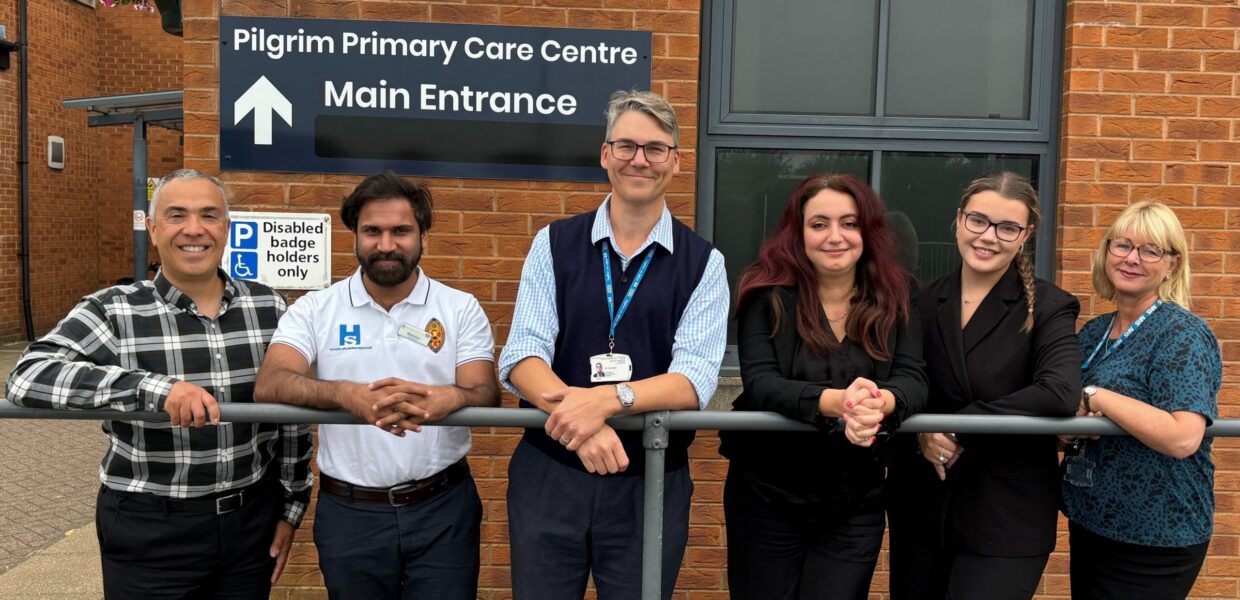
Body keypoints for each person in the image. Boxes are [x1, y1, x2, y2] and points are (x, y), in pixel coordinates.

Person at [5, 168, 312, 599]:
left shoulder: (269, 307)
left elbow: (290, 422)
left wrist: (291, 507)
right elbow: (27, 376)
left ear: (226, 228)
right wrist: (154, 390)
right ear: (152, 229)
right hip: (150, 527)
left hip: (249, 524)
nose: (194, 230)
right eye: (176, 215)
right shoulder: (113, 310)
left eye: (209, 215)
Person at [498, 90, 729, 599]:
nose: (638, 160)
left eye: (654, 148)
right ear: (605, 155)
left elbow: (694, 380)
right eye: (625, 146)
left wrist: (604, 402)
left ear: (675, 161)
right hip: (551, 474)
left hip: (649, 479)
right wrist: (581, 431)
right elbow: (521, 356)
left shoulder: (704, 263)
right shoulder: (553, 243)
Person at [254, 172, 499, 599]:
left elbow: (486, 393)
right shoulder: (315, 308)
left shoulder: (459, 308)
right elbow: (271, 383)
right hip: (351, 514)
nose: (387, 244)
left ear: (423, 235)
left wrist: (449, 398)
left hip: (443, 509)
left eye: (401, 230)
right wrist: (344, 394)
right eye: (373, 231)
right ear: (354, 235)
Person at [719, 173, 927, 600]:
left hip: (856, 501)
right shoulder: (765, 293)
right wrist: (840, 403)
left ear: (867, 230)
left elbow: (913, 376)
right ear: (798, 232)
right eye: (819, 224)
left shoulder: (898, 294)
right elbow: (762, 384)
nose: (835, 236)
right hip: (768, 496)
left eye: (849, 223)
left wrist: (881, 402)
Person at [885, 172, 1082, 600]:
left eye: (1007, 227)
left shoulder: (1049, 306)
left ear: (1026, 234)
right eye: (978, 220)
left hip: (1005, 515)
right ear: (958, 220)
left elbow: (1060, 392)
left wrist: (957, 426)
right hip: (923, 507)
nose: (988, 237)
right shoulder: (919, 302)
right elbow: (903, 385)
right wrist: (920, 433)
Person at [1060, 201, 1221, 599]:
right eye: (1123, 245)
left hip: (1156, 535)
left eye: (1151, 250)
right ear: (1106, 253)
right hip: (1093, 521)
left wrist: (1099, 397)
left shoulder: (1181, 334)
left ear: (1172, 264)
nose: (1132, 258)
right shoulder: (1094, 332)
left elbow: (1183, 438)